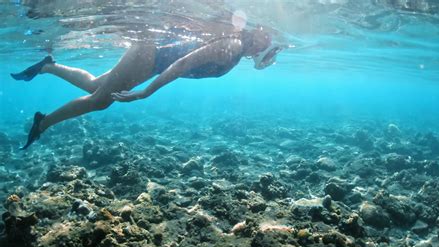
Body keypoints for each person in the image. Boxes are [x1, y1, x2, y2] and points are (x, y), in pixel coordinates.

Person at [11, 26, 284, 150]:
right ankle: (42, 123)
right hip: (149, 56)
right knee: (100, 100)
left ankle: (47, 66)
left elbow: (183, 64)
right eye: (269, 45)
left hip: (150, 60)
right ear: (258, 37)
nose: (270, 51)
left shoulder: (236, 51)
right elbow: (182, 64)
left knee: (96, 85)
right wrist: (145, 92)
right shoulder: (232, 48)